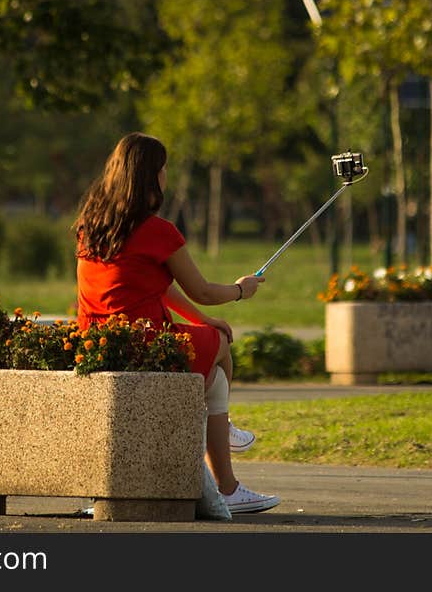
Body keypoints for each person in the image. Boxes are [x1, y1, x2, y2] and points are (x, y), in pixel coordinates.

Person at [74, 132, 280, 514]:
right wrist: (239, 290)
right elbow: (200, 289)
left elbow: (152, 287)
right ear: (151, 177)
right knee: (219, 344)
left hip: (99, 343)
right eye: (164, 168)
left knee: (213, 372)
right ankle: (225, 441)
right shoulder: (158, 231)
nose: (167, 175)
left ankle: (230, 484)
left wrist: (202, 319)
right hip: (146, 344)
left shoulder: (92, 227)